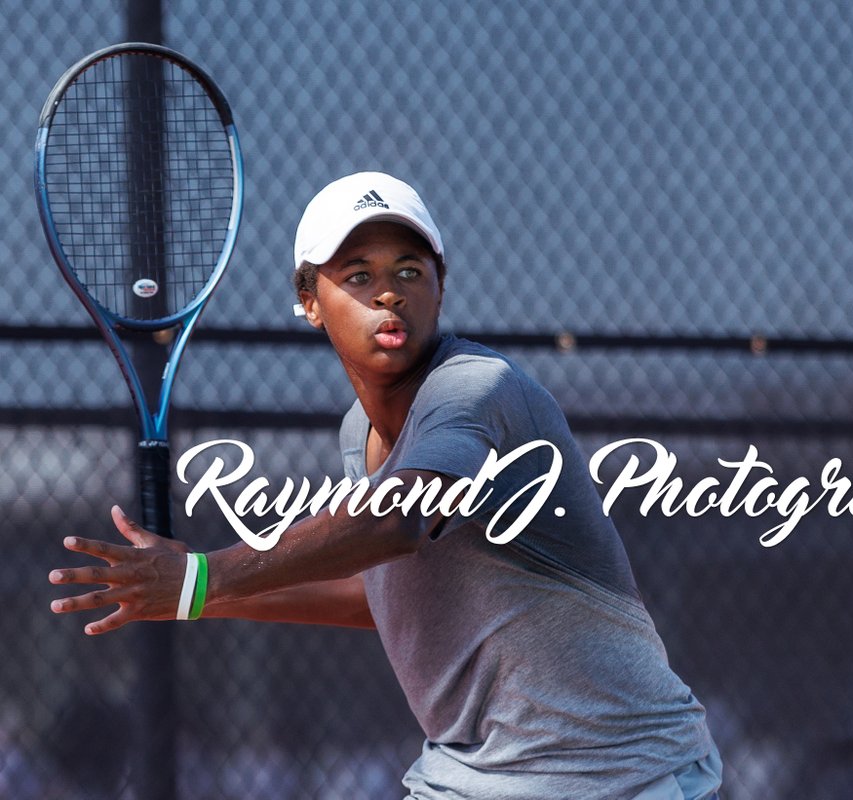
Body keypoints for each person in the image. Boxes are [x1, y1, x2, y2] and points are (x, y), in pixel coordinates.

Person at [48, 172, 722, 799]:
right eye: (358, 275)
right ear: (310, 302)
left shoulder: (476, 390)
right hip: (474, 775)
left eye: (408, 270)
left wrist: (206, 574)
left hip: (629, 771)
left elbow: (395, 522)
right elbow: (381, 597)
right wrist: (198, 596)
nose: (388, 292)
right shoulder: (359, 434)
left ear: (440, 285)